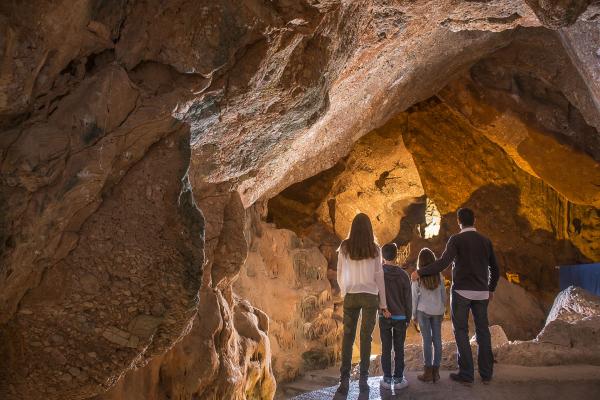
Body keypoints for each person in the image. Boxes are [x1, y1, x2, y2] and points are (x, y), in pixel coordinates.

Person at [411, 207, 499, 384]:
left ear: (459, 221)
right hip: (481, 293)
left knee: (461, 331)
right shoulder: (485, 241)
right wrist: (490, 288)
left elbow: (443, 263)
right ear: (474, 221)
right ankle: (486, 373)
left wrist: (420, 272)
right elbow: (495, 269)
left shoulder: (456, 239)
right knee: (483, 331)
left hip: (461, 292)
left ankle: (466, 374)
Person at [336, 213, 389, 394]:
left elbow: (340, 272)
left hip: (351, 295)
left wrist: (344, 291)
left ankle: (344, 380)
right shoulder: (375, 249)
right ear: (369, 229)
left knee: (348, 337)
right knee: (366, 338)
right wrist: (383, 302)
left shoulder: (344, 246)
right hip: (369, 296)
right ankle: (363, 380)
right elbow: (379, 276)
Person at [379, 243, 412, 391]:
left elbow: (376, 295)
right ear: (396, 255)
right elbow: (408, 299)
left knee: (386, 348)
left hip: (384, 316)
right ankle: (398, 379)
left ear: (382, 256)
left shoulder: (378, 273)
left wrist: (380, 309)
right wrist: (408, 317)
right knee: (399, 348)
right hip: (400, 317)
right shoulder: (404, 275)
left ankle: (386, 378)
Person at [412, 248, 447, 383]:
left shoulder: (417, 277)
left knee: (427, 341)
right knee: (437, 341)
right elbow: (444, 295)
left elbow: (414, 297)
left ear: (420, 262)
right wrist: (443, 309)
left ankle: (427, 373)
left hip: (423, 311)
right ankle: (436, 373)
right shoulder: (439, 276)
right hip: (437, 311)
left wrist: (413, 315)